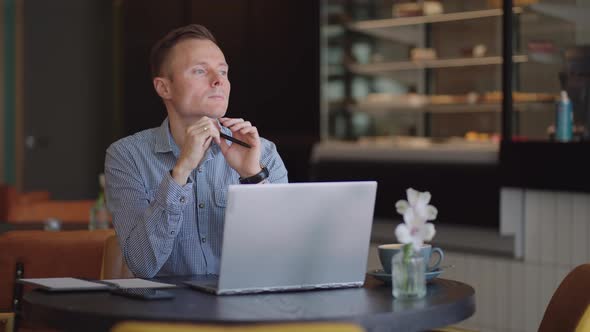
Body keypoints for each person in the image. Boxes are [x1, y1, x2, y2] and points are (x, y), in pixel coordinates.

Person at [104, 24, 288, 278]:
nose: (218, 80)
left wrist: (252, 176)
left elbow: (286, 256)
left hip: (247, 310)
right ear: (163, 88)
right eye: (200, 71)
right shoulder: (126, 156)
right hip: (164, 313)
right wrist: (180, 172)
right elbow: (142, 264)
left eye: (223, 71)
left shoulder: (262, 153)